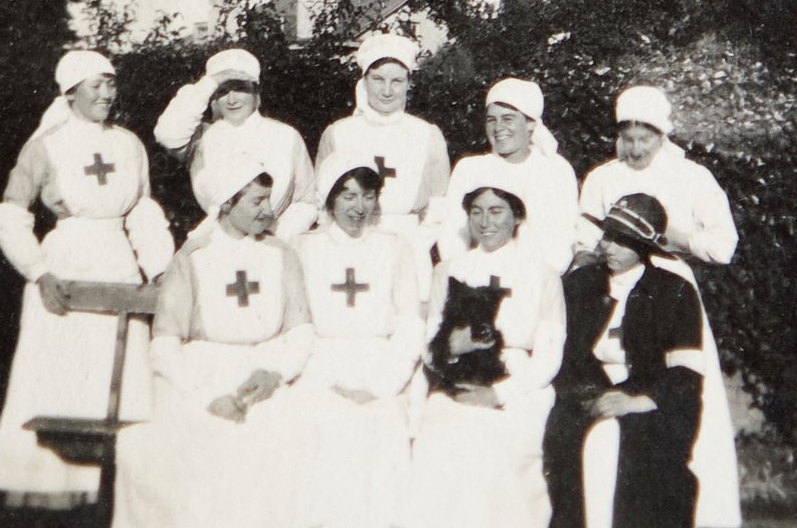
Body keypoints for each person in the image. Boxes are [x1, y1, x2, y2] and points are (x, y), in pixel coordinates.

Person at [0, 50, 175, 509]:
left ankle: (118, 493)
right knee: (63, 378)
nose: (107, 94)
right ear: (70, 91)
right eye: (96, 85)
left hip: (120, 266)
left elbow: (144, 213)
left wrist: (159, 271)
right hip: (65, 269)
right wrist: (39, 272)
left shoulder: (130, 144)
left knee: (120, 375)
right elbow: (10, 216)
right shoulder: (46, 145)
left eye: (111, 84)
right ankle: (57, 491)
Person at [113, 161, 315, 528]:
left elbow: (300, 332)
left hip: (263, 371)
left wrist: (275, 373)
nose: (268, 210)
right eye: (257, 201)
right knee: (182, 443)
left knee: (285, 437)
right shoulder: (192, 258)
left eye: (268, 199)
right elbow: (164, 346)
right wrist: (205, 394)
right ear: (226, 203)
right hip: (197, 375)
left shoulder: (282, 255)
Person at [574, 85, 741, 528]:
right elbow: (584, 237)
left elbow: (724, 246)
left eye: (644, 137)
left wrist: (675, 239)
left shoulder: (693, 177)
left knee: (677, 393)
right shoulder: (603, 177)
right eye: (626, 136)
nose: (634, 147)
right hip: (613, 286)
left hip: (669, 295)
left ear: (662, 134)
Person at [408, 184, 566, 528]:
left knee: (497, 446)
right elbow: (430, 345)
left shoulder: (543, 273)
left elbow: (549, 353)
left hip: (521, 382)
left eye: (496, 211)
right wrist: (452, 347)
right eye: (476, 211)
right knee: (439, 440)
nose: (485, 221)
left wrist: (499, 393)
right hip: (457, 378)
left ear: (517, 216)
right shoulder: (448, 270)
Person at [545, 194, 705, 528]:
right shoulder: (578, 285)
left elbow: (685, 372)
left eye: (623, 241)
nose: (609, 247)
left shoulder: (673, 291)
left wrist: (640, 401)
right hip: (584, 392)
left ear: (644, 247)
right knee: (566, 448)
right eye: (607, 236)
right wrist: (590, 395)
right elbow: (561, 354)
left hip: (648, 398)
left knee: (648, 464)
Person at [291, 151, 424, 528]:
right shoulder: (305, 247)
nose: (359, 206)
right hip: (319, 363)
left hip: (380, 365)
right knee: (322, 433)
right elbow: (297, 324)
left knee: (382, 432)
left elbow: (410, 323)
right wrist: (326, 378)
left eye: (367, 195)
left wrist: (382, 384)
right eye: (348, 195)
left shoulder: (395, 247)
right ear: (330, 199)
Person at [316, 31, 450, 300]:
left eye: (397, 81)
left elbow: (440, 202)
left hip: (409, 243)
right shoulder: (338, 133)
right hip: (351, 241)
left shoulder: (427, 134)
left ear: (408, 83)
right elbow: (322, 201)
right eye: (378, 80)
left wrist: (417, 242)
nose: (387, 90)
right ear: (364, 82)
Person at [154, 48, 317, 242]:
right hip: (217, 246)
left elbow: (307, 201)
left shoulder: (286, 136)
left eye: (240, 88)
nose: (231, 99)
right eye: (222, 91)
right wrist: (210, 82)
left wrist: (277, 237)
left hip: (274, 243)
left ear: (256, 92)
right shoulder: (203, 138)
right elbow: (167, 134)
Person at [439, 77, 579, 273]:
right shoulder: (469, 169)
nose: (497, 128)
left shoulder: (556, 170)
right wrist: (466, 276)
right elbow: (452, 233)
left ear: (530, 123)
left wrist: (537, 281)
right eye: (491, 120)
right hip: (478, 281)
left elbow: (562, 239)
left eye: (508, 119)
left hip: (536, 280)